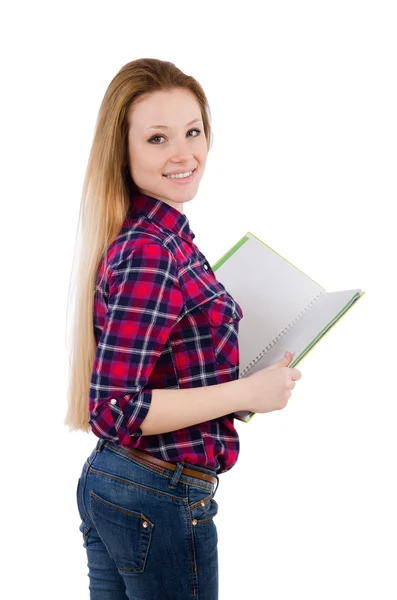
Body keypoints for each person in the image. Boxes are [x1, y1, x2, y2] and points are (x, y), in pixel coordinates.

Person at [64, 57, 302, 600]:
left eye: (193, 131)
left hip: (123, 482)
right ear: (122, 151)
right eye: (157, 138)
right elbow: (115, 408)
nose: (183, 153)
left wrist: (237, 383)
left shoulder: (165, 237)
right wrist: (248, 392)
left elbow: (164, 372)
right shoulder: (151, 251)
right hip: (157, 493)